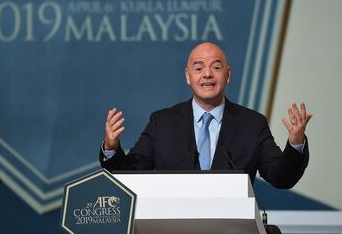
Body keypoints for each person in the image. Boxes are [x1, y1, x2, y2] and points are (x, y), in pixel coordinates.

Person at [99, 42, 312, 189]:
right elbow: (131, 175)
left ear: (228, 75)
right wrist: (111, 148)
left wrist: (295, 144)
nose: (207, 74)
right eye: (199, 68)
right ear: (188, 76)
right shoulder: (162, 122)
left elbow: (280, 177)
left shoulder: (252, 124)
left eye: (216, 67)